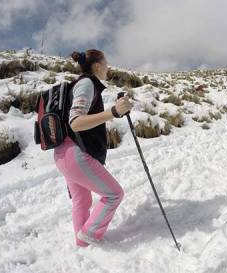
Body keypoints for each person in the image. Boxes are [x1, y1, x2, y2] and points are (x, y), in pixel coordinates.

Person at [54, 49, 132, 247]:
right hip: (76, 154)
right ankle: (89, 234)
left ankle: (83, 247)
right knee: (114, 194)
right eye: (106, 63)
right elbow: (76, 122)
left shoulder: (79, 84)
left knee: (81, 200)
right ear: (97, 66)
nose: (108, 67)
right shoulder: (87, 84)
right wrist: (113, 112)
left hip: (63, 154)